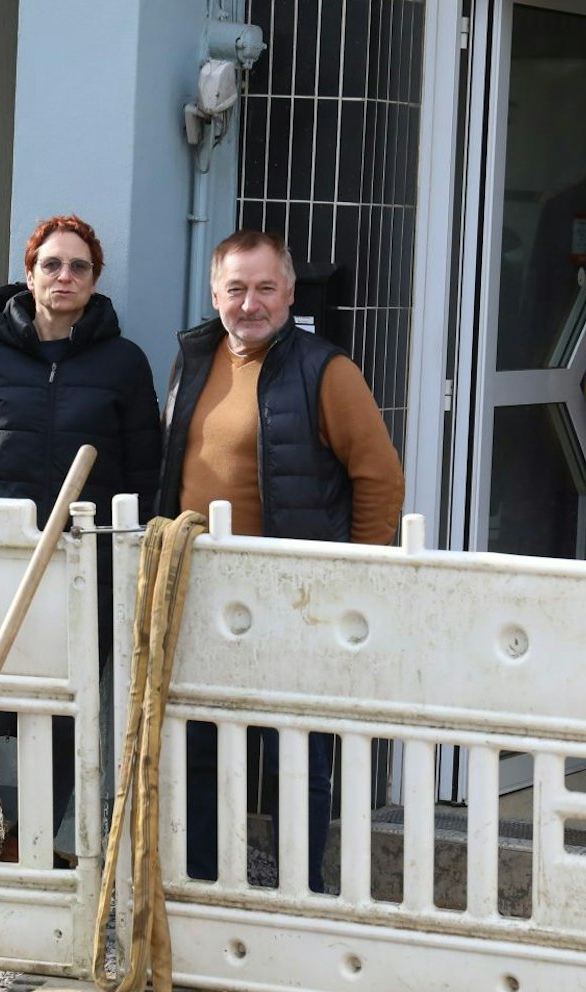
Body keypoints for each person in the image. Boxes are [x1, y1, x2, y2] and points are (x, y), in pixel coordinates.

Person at [158, 229, 404, 893]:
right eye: (236, 288)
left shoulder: (327, 371)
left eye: (266, 287)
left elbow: (380, 477)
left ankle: (300, 892)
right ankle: (204, 884)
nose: (250, 303)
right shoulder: (193, 360)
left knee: (296, 750)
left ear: (290, 293)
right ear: (215, 294)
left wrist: (353, 578)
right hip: (202, 589)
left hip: (294, 596)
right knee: (201, 741)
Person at [0, 214, 162, 850]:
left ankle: (30, 841)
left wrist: (129, 557)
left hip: (88, 564)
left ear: (95, 279)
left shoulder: (123, 363)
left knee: (66, 701)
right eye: (51, 265)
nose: (65, 276)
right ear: (29, 275)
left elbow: (145, 473)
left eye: (78, 266)